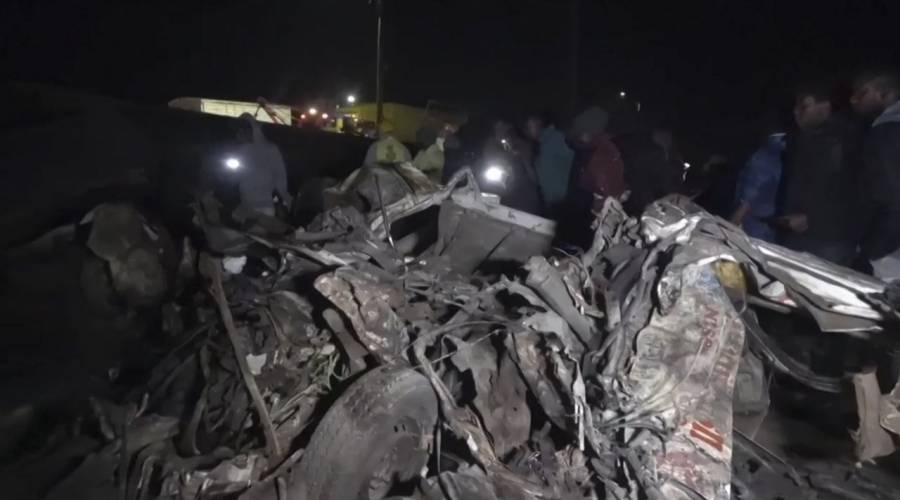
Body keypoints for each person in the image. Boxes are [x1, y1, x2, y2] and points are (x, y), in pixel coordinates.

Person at [776, 81, 862, 265]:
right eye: (795, 106)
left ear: (825, 107)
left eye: (804, 106)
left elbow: (848, 188)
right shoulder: (808, 139)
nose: (796, 112)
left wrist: (812, 219)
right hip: (805, 236)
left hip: (825, 240)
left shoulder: (838, 141)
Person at [851, 69, 900, 278]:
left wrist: (875, 249)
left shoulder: (886, 132)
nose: (854, 99)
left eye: (862, 92)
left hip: (891, 250)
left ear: (886, 94)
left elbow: (893, 196)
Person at [731, 119, 787, 242]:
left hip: (754, 221)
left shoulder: (764, 155)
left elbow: (755, 186)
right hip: (772, 222)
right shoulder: (784, 154)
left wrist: (736, 218)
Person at [234, 114, 290, 217]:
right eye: (238, 130)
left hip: (265, 206)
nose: (239, 134)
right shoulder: (241, 151)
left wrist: (283, 198)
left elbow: (280, 176)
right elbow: (238, 177)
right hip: (247, 205)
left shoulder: (270, 149)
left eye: (243, 130)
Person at [525, 112, 575, 216]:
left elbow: (572, 160)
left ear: (538, 122)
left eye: (530, 126)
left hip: (565, 203)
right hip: (549, 203)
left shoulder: (556, 137)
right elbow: (539, 179)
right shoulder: (539, 146)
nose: (528, 130)